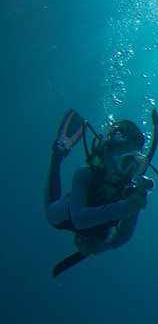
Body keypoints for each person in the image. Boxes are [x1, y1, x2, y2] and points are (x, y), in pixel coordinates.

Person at [45, 109, 149, 258]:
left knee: (101, 233)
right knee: (51, 212)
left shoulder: (131, 192)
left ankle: (89, 236)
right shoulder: (85, 174)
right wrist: (125, 207)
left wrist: (100, 247)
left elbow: (125, 234)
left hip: (95, 226)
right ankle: (59, 153)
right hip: (64, 218)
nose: (130, 172)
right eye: (126, 162)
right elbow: (78, 220)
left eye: (137, 164)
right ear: (107, 157)